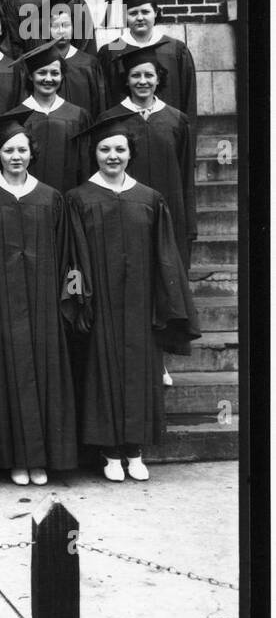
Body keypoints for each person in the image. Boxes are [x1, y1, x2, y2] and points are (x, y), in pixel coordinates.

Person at [64, 115, 199, 482]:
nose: (113, 155)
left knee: (141, 374)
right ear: (94, 154)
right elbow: (72, 261)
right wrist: (80, 300)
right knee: (101, 373)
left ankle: (135, 452)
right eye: (105, 149)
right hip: (101, 302)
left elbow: (165, 257)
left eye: (119, 149)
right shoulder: (78, 199)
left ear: (130, 153)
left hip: (140, 304)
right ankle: (109, 453)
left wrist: (165, 302)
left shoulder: (150, 199)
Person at [0, 112, 78, 485]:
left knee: (44, 373)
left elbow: (65, 254)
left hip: (42, 301)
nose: (16, 156)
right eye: (8, 150)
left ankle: (41, 458)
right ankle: (15, 459)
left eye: (22, 149)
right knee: (5, 374)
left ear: (32, 152)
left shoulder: (50, 198)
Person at [96, 44, 197, 269]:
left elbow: (186, 171)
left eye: (149, 75)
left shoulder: (177, 120)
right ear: (126, 80)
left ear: (159, 78)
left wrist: (189, 220)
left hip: (170, 209)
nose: (143, 81)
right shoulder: (110, 119)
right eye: (135, 75)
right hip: (125, 211)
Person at [97, 0, 198, 123]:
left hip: (169, 133)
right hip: (122, 137)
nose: (139, 18)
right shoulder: (110, 51)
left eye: (145, 12)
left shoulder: (176, 50)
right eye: (133, 13)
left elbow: (189, 101)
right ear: (125, 16)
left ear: (155, 13)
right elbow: (103, 101)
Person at [12, 41, 93, 194]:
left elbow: (85, 166)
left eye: (55, 73)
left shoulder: (78, 116)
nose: (48, 79)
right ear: (30, 76)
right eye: (42, 73)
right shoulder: (17, 117)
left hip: (69, 199)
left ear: (62, 77)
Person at [46, 4, 105, 118]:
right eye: (55, 26)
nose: (61, 31)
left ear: (74, 28)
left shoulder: (89, 64)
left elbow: (99, 106)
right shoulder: (41, 65)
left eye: (66, 25)